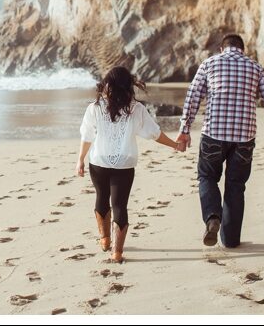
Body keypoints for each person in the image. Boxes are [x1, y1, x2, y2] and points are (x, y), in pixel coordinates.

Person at [176, 33, 264, 248]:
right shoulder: (254, 67)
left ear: (221, 49)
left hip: (213, 134)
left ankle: (212, 217)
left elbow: (193, 96)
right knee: (236, 186)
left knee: (207, 177)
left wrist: (185, 129)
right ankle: (231, 240)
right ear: (242, 50)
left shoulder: (210, 63)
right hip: (244, 138)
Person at [76, 66, 184, 263]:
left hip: (98, 161)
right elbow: (154, 133)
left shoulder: (94, 107)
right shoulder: (137, 109)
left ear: (107, 84)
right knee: (120, 204)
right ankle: (117, 252)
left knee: (101, 197)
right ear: (128, 86)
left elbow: (87, 135)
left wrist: (80, 160)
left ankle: (105, 239)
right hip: (125, 163)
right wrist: (174, 145)